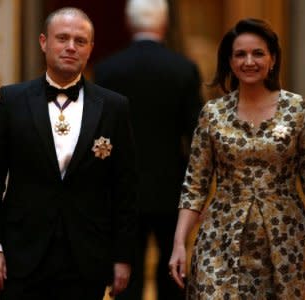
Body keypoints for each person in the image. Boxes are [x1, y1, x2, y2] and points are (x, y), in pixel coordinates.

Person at [0, 7, 137, 300]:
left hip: (87, 257)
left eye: (80, 40)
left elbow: (125, 188)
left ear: (90, 49)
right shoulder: (12, 101)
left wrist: (122, 256)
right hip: (22, 255)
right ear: (43, 42)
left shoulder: (114, 106)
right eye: (62, 38)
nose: (71, 47)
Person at [169, 18, 305, 299]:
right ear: (230, 62)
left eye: (258, 53)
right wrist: (179, 243)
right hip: (221, 237)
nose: (249, 61)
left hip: (287, 239)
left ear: (272, 59)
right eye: (240, 54)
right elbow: (195, 186)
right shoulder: (212, 113)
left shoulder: (299, 110)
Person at [94, 0, 203, 299]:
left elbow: (100, 133)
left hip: (122, 188)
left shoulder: (108, 69)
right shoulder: (184, 69)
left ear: (129, 23)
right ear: (165, 23)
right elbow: (197, 136)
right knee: (173, 270)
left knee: (125, 271)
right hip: (172, 187)